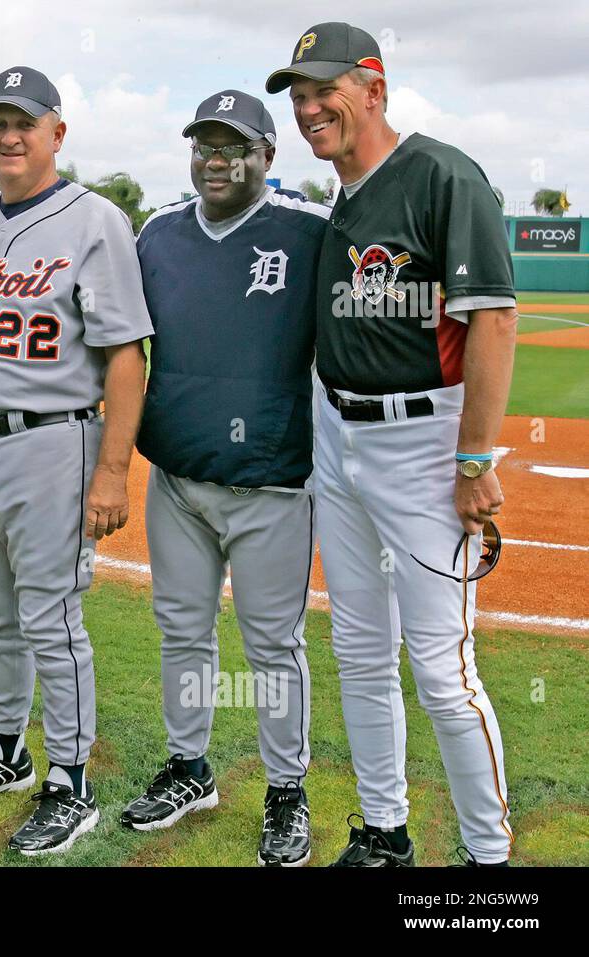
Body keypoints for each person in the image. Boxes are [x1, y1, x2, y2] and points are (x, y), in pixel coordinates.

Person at [267, 22, 518, 866]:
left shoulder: (441, 174)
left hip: (424, 443)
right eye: (298, 96)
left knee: (444, 674)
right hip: (339, 439)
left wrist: (476, 457)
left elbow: (494, 318)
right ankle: (384, 832)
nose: (308, 108)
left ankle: (489, 862)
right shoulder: (338, 197)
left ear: (374, 88)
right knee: (359, 651)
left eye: (323, 89)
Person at [0, 66, 152, 855]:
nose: (11, 135)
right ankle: (8, 751)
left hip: (54, 439)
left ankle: (72, 780)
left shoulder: (97, 220)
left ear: (57, 133)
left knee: (52, 620)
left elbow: (127, 353)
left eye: (27, 121)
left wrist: (114, 469)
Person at [124, 90, 329, 866]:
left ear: (267, 157)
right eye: (204, 144)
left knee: (274, 645)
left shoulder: (309, 231)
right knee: (182, 629)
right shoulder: (158, 233)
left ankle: (286, 788)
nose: (216, 159)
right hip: (177, 474)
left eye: (234, 145)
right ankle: (190, 766)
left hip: (272, 480)